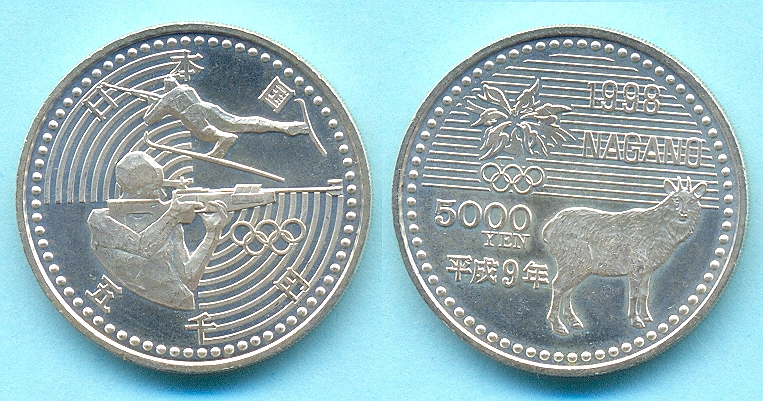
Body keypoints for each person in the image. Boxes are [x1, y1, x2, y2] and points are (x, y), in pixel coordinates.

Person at [87, 151, 228, 310]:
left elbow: (188, 280)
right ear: (135, 190)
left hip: (180, 304)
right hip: (135, 310)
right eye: (154, 189)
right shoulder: (100, 221)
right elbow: (141, 248)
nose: (163, 194)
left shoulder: (169, 223)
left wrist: (212, 233)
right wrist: (172, 216)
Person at [142, 75, 309, 158]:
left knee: (205, 133)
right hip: (207, 107)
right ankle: (284, 126)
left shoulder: (166, 99)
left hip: (190, 114)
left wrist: (153, 104)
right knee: (239, 123)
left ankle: (224, 138)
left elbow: (149, 119)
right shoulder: (186, 88)